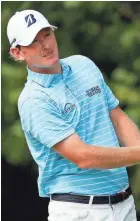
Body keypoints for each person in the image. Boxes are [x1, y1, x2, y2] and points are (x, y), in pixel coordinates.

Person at [7, 9, 140, 221]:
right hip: (79, 211)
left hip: (125, 204)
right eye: (33, 42)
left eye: (47, 34)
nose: (46, 45)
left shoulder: (83, 64)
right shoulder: (33, 99)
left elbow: (117, 117)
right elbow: (83, 156)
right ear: (18, 53)